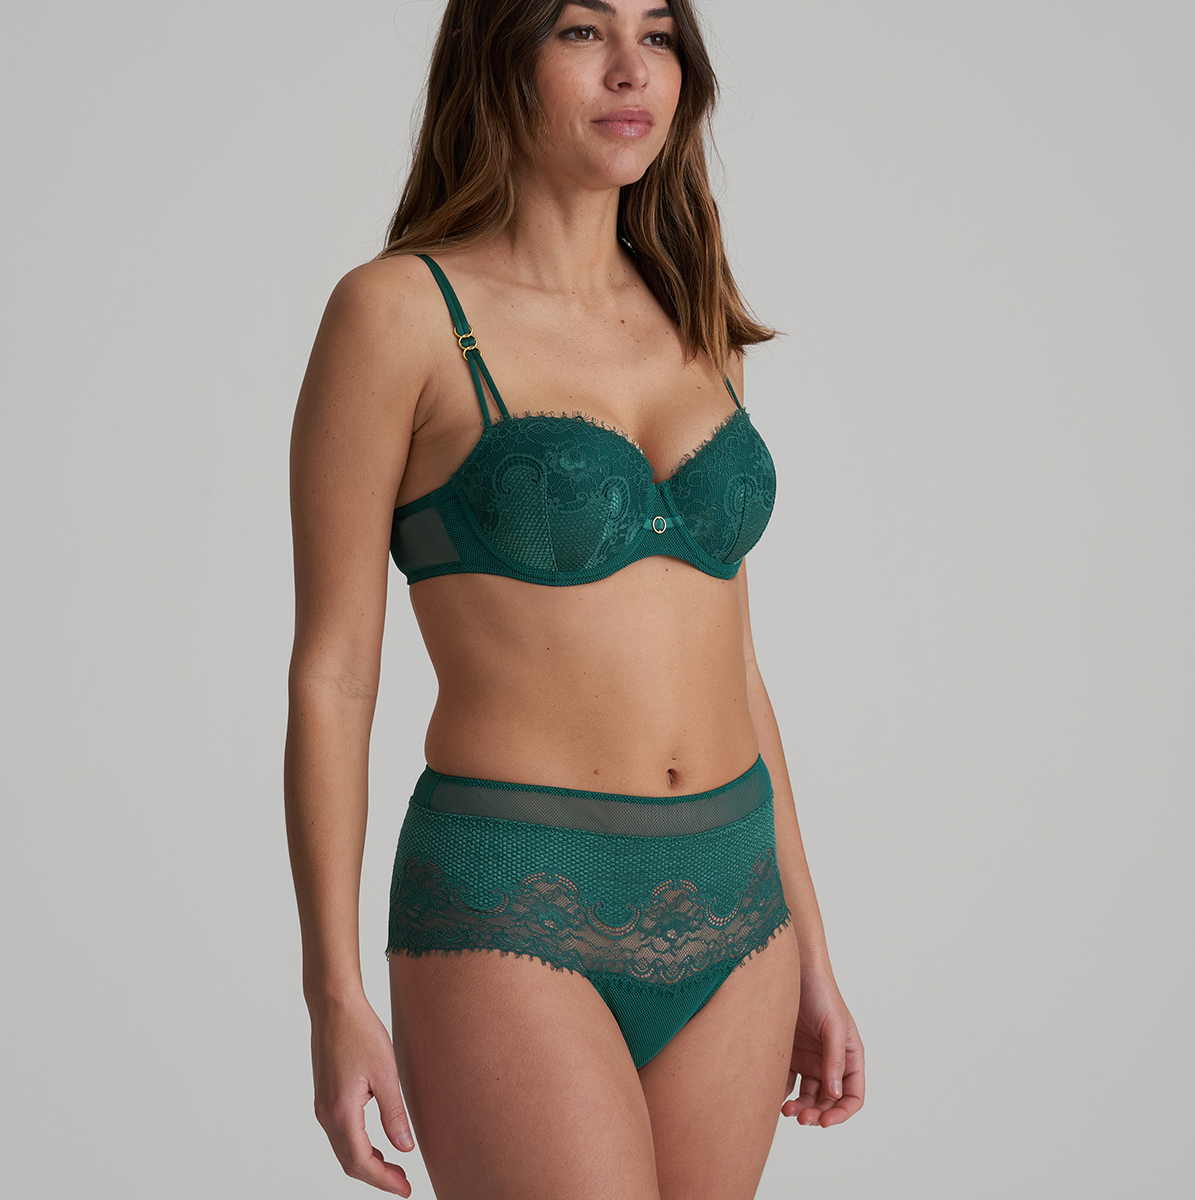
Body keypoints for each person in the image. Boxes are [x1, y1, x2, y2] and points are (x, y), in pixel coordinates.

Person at [284, 0, 865, 1196]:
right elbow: (334, 675)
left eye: (658, 35)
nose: (630, 70)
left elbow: (734, 658)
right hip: (510, 902)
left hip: (739, 905)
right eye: (582, 32)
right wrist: (332, 995)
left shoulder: (698, 316)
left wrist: (812, 944)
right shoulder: (398, 313)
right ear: (500, 58)